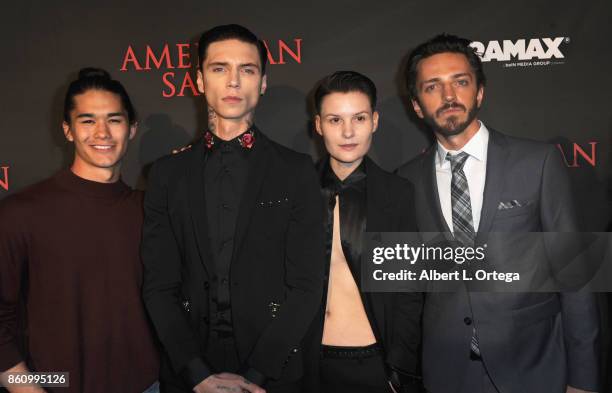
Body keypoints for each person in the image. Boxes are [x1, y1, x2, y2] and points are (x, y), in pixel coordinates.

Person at [396, 34, 600, 393]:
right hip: (446, 371)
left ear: (479, 92)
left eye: (460, 82)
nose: (448, 96)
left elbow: (575, 274)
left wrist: (583, 378)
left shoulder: (537, 162)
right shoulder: (405, 180)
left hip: (534, 366)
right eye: (432, 87)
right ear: (416, 105)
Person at [141, 24, 324, 393]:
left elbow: (306, 285)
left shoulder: (296, 169)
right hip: (189, 373)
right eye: (220, 68)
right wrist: (196, 372)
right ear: (199, 79)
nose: (234, 82)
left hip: (274, 373)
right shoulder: (165, 174)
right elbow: (158, 286)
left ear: (263, 82)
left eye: (248, 70)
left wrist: (258, 375)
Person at [0, 68, 159, 393]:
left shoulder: (152, 211)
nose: (102, 132)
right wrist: (25, 389)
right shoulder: (22, 212)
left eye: (114, 120)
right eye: (87, 120)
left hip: (148, 387)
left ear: (131, 129)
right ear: (67, 130)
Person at [301, 71, 423, 393]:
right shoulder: (295, 192)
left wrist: (399, 369)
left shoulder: (398, 194)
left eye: (359, 117)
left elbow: (408, 294)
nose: (348, 132)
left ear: (375, 121)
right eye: (334, 120)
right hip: (308, 367)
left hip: (375, 366)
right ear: (318, 125)